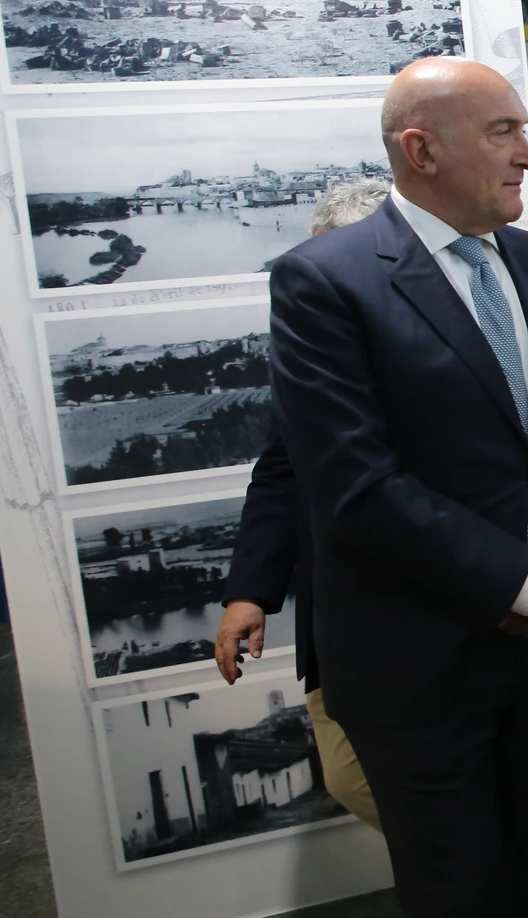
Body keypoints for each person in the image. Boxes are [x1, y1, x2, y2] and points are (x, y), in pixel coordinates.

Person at [266, 57, 528, 917]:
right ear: (421, 150)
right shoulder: (324, 282)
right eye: (504, 132)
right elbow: (356, 483)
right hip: (419, 661)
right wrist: (525, 581)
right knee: (457, 893)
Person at [214, 177, 391, 832]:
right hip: (338, 614)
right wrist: (251, 590)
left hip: (438, 612)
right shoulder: (308, 354)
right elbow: (280, 468)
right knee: (353, 777)